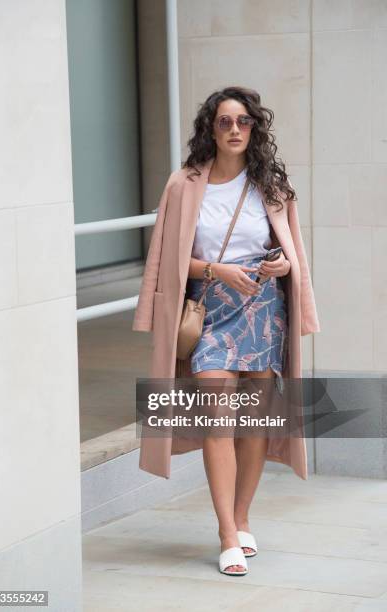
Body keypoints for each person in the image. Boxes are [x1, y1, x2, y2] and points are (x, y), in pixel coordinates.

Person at [132, 86, 320, 577]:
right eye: (224, 122)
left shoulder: (272, 186)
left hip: (262, 311)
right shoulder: (184, 184)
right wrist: (216, 270)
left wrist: (281, 267)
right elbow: (170, 259)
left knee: (254, 425)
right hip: (209, 312)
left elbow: (291, 253)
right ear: (210, 129)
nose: (235, 130)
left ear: (255, 128)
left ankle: (241, 518)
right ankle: (225, 533)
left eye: (243, 122)